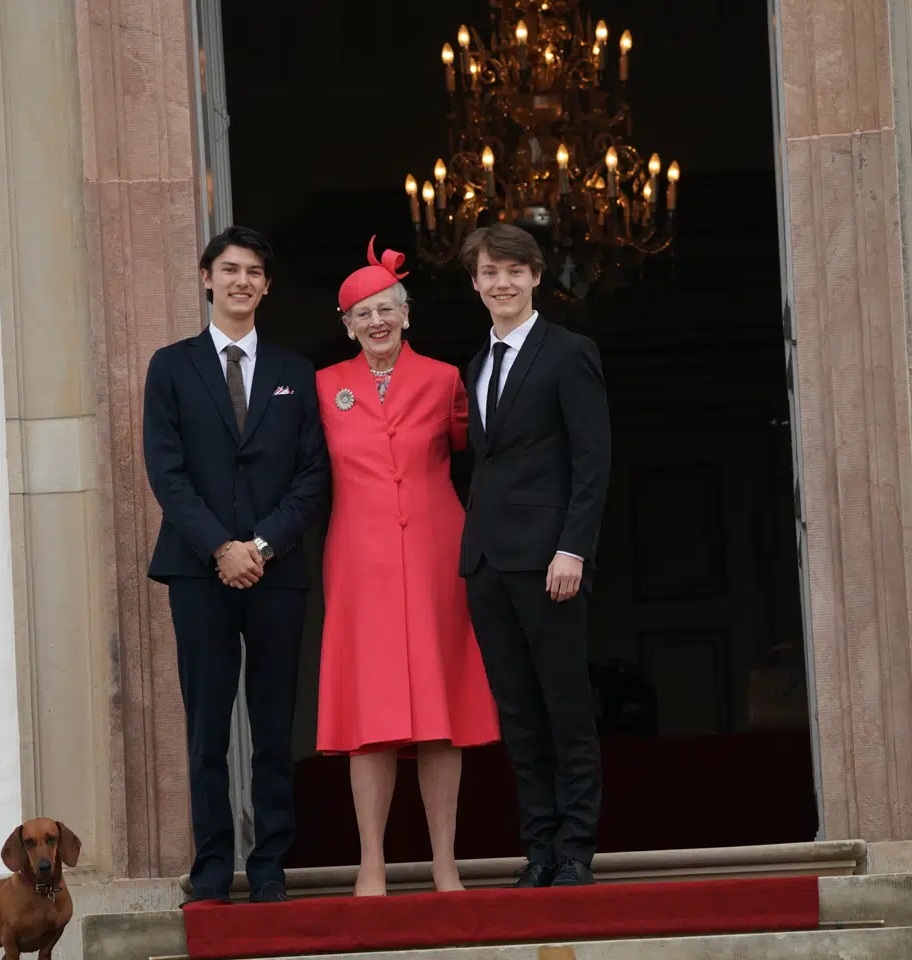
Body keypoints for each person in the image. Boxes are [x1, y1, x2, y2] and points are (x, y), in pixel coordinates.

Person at [141, 225, 330, 905]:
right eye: (230, 269)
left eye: (254, 272)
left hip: (278, 571)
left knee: (274, 723)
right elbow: (166, 471)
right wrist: (222, 546)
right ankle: (215, 866)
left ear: (267, 286)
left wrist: (262, 546)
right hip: (198, 570)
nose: (242, 281)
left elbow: (314, 475)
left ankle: (272, 863)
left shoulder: (295, 371)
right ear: (206, 278)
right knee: (208, 726)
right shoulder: (170, 366)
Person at [314, 237, 500, 897]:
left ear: (407, 313)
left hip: (434, 554)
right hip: (359, 559)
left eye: (386, 308)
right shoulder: (324, 387)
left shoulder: (448, 379)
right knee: (370, 714)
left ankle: (445, 864)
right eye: (361, 313)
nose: (376, 322)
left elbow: (480, 456)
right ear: (346, 326)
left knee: (439, 710)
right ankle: (372, 865)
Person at [458, 223, 611, 888]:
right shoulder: (477, 364)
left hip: (551, 562)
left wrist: (572, 547)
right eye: (490, 272)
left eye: (514, 271)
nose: (502, 283)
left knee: (565, 708)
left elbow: (592, 458)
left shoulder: (568, 352)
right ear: (475, 283)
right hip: (488, 564)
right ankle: (539, 849)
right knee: (517, 716)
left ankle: (576, 848)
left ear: (535, 277)